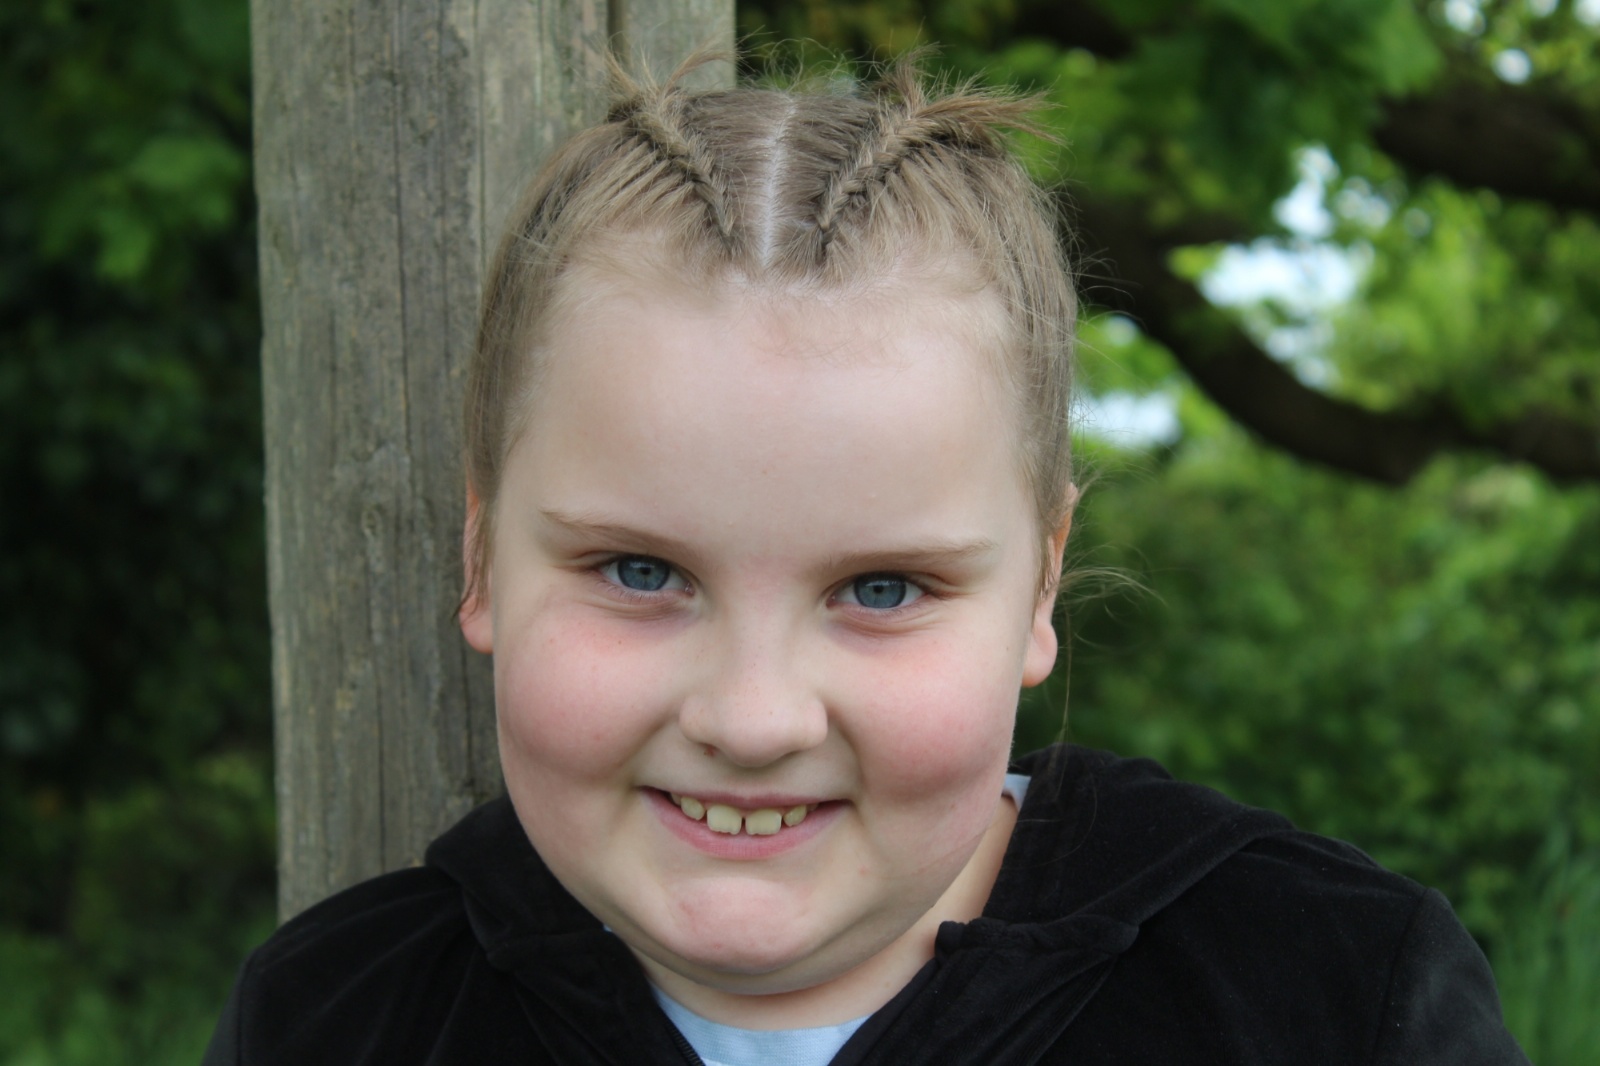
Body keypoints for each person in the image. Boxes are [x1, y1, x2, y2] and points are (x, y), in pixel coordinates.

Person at [204, 57, 1529, 1065]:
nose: (752, 719)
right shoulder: (334, 1018)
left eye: (882, 589)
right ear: (484, 558)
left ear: (1041, 586)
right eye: (639, 573)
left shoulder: (1334, 997)